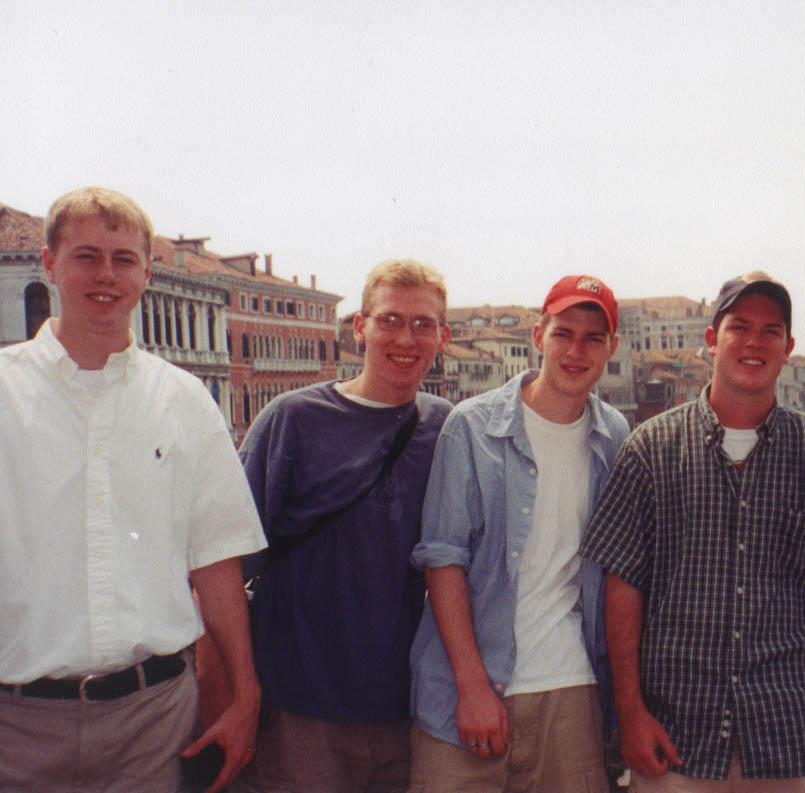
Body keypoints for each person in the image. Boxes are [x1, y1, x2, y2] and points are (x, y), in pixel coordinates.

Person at [0, 186, 267, 793]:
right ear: (49, 264)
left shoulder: (186, 401)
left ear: (147, 272)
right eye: (86, 256)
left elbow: (218, 564)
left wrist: (245, 693)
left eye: (123, 259)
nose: (105, 275)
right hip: (13, 729)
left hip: (153, 726)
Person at [582, 272, 805, 792]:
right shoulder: (650, 450)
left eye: (771, 331)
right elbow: (622, 585)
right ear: (712, 339)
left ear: (788, 348)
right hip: (677, 738)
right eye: (740, 326)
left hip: (797, 737)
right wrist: (629, 714)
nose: (755, 342)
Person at [236, 260, 453, 793]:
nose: (406, 339)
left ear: (443, 336)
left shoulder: (448, 426)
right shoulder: (291, 420)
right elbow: (226, 565)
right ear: (359, 327)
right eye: (390, 321)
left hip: (410, 712)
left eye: (423, 325)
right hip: (301, 709)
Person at [408, 274, 629, 793]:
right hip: (465, 691)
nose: (577, 351)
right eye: (563, 334)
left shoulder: (614, 435)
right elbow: (443, 560)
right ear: (538, 335)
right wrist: (472, 687)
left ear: (610, 348)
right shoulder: (471, 426)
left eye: (593, 339)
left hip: (571, 688)